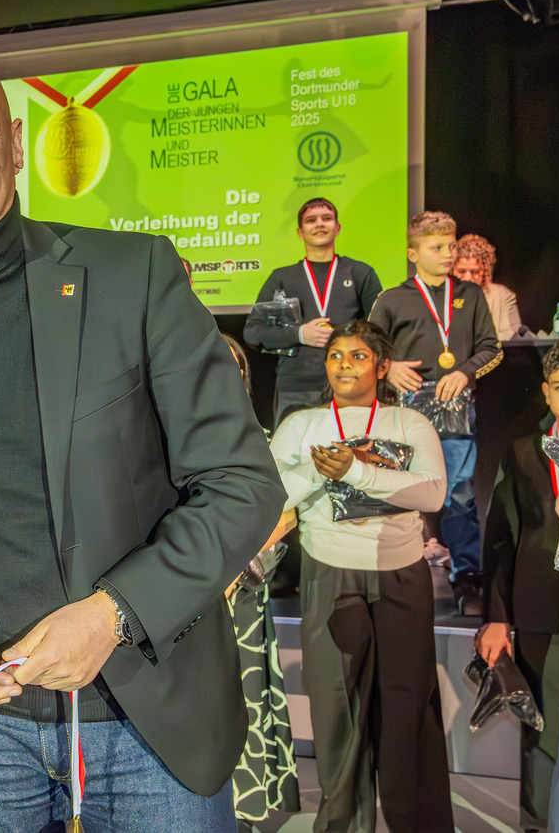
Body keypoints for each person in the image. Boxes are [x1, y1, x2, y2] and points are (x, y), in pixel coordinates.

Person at [0, 48, 285, 831]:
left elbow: (243, 484)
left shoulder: (134, 276)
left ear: (14, 143)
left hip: (148, 725)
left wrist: (114, 614)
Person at [270, 318, 452, 833]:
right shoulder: (301, 424)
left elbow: (433, 493)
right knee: (335, 710)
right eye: (335, 355)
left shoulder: (408, 422)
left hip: (402, 577)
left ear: (383, 366)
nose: (344, 365)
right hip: (329, 573)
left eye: (357, 356)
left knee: (406, 706)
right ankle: (344, 824)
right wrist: (321, 469)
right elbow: (272, 497)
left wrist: (355, 471)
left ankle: (415, 823)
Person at [369, 211, 501, 614]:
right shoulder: (391, 299)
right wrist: (389, 368)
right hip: (405, 413)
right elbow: (368, 351)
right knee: (401, 492)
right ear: (413, 254)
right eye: (437, 247)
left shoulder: (470, 294)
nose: (448, 254)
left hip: (456, 410)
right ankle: (397, 572)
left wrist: (464, 372)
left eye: (451, 245)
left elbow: (491, 349)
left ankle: (466, 575)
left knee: (460, 495)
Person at [479, 341, 559, 830]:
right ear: (547, 392)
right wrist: (497, 616)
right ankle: (539, 825)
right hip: (541, 610)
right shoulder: (523, 449)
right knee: (542, 731)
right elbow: (501, 539)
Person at [220, 334, 300, 829]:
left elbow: (286, 514)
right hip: (184, 598)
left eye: (234, 365)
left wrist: (234, 566)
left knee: (244, 697)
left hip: (240, 593)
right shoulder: (161, 433)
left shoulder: (266, 439)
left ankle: (243, 809)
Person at [244, 198, 382, 428]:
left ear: (337, 228)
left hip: (350, 383)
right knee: (293, 450)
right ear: (300, 232)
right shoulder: (282, 277)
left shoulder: (360, 273)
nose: (319, 224)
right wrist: (299, 334)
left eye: (326, 218)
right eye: (311, 220)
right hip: (297, 387)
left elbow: (379, 332)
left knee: (351, 449)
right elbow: (253, 332)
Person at [454, 233, 522, 341]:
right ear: (452, 269)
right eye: (461, 271)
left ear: (485, 271)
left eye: (475, 272)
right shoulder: (441, 295)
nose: (467, 278)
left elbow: (511, 336)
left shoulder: (502, 296)